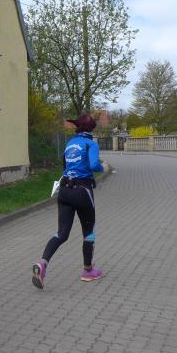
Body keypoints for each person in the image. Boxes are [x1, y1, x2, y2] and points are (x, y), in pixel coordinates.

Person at [32, 113, 110, 289]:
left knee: (61, 233)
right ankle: (88, 270)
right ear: (91, 129)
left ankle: (42, 264)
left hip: (65, 191)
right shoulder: (91, 144)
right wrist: (103, 167)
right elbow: (93, 165)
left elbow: (65, 166)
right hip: (82, 192)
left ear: (77, 128)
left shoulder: (69, 144)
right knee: (88, 232)